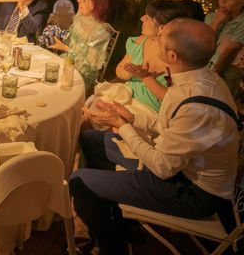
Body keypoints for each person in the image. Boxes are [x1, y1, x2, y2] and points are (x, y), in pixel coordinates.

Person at [71, 18, 238, 255]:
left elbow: (162, 167)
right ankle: (119, 221)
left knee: (79, 181)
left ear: (172, 56)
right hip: (178, 168)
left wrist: (123, 127)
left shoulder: (198, 106)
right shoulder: (200, 78)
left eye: (161, 36)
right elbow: (166, 124)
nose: (156, 36)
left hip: (192, 192)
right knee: (92, 140)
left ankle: (112, 248)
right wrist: (130, 117)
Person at [84, 0, 190, 124]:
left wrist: (146, 77)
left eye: (147, 17)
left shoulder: (176, 58)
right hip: (127, 93)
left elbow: (171, 99)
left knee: (99, 119)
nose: (141, 18)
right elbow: (119, 71)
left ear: (162, 28)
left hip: (148, 108)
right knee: (89, 113)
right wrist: (132, 72)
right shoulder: (141, 41)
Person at [48, 0, 112, 94]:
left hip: (82, 75)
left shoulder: (100, 33)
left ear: (96, 5)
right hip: (67, 63)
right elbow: (68, 44)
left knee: (50, 82)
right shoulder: (79, 20)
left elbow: (89, 65)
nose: (78, 0)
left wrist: (66, 49)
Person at [205, 0, 244, 96]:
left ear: (242, 2)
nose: (223, 1)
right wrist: (216, 22)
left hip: (224, 76)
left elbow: (229, 53)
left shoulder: (241, 22)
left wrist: (212, 77)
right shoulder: (211, 17)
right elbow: (201, 45)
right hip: (204, 69)